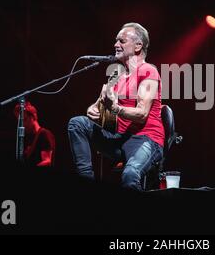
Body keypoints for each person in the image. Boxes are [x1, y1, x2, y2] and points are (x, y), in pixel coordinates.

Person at [68, 22, 165, 190]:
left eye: (121, 41)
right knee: (77, 123)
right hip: (120, 138)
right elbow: (99, 105)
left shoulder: (148, 70)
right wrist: (93, 109)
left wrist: (115, 108)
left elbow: (142, 114)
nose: (115, 45)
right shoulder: (116, 74)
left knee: (130, 175)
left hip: (146, 138)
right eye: (116, 40)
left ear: (138, 46)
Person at [14, 101, 56, 167]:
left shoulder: (44, 134)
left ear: (33, 117)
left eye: (25, 119)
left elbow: (47, 161)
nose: (23, 125)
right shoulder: (29, 136)